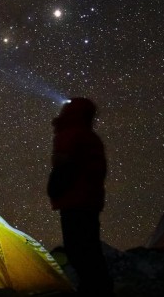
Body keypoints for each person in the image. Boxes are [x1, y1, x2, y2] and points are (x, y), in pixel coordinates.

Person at [47, 97, 113, 296]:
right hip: (88, 201)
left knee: (78, 250)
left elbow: (64, 165)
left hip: (74, 201)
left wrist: (55, 188)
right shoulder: (90, 137)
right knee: (89, 250)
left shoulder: (71, 134)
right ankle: (97, 288)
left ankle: (95, 290)